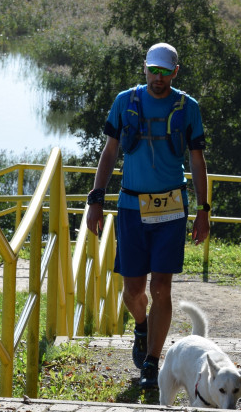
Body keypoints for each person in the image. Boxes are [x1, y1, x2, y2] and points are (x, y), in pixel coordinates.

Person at [85, 42, 210, 390]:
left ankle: (152, 363)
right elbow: (109, 152)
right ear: (145, 68)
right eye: (153, 70)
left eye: (165, 71)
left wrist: (203, 210)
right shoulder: (125, 102)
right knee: (133, 290)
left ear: (175, 72)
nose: (158, 78)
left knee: (162, 288)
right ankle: (142, 326)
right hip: (131, 206)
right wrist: (96, 199)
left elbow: (198, 161)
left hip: (172, 208)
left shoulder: (189, 108)